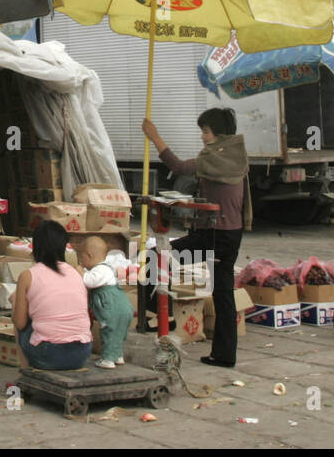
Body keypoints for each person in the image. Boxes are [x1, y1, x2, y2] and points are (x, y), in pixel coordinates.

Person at [142, 107, 251, 368]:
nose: (203, 137)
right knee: (223, 293)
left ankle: (159, 315)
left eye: (206, 131)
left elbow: (179, 166)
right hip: (229, 234)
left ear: (218, 134)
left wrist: (154, 136)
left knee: (156, 258)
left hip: (214, 236)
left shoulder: (217, 157)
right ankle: (224, 355)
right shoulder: (235, 155)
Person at [11, 220, 92, 370]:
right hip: (82, 353)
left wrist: (15, 302)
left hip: (49, 354)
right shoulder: (76, 273)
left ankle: (25, 373)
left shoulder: (28, 276)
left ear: (36, 247)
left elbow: (20, 323)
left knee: (17, 312)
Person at [80, 236, 134, 368]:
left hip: (112, 309)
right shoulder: (107, 269)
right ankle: (118, 355)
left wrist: (80, 273)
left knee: (109, 332)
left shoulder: (101, 270)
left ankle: (108, 359)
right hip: (122, 308)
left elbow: (89, 281)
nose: (81, 261)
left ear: (89, 255)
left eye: (81, 257)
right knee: (118, 333)